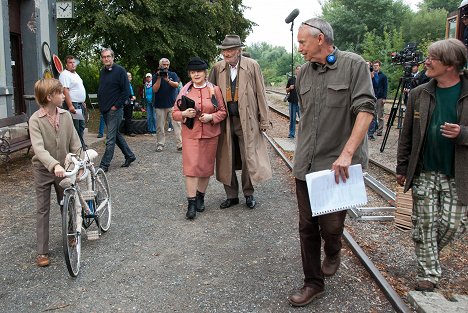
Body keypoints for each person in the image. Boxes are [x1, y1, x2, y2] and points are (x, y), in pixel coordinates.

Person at [288, 18, 375, 307]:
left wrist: (348, 153)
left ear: (321, 39)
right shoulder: (303, 74)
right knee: (306, 227)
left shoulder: (354, 65)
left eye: (302, 42)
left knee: (330, 227)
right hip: (306, 165)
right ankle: (313, 282)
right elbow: (305, 113)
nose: (299, 48)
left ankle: (334, 248)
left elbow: (365, 110)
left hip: (337, 166)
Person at [396, 38, 468, 292]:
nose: (426, 62)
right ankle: (428, 272)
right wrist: (402, 168)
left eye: (432, 58)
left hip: (457, 174)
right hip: (425, 170)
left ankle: (427, 250)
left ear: (450, 64)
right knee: (424, 222)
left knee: (454, 224)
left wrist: (462, 133)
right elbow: (407, 135)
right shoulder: (419, 93)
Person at [208, 34, 272, 209]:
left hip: (247, 120)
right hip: (226, 120)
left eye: (229, 51)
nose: (226, 54)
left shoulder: (252, 66)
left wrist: (264, 120)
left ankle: (248, 194)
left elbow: (261, 93)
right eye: (224, 51)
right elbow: (210, 93)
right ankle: (231, 195)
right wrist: (211, 115)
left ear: (238, 51)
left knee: (248, 158)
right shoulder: (217, 68)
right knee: (225, 157)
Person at [29, 78, 82, 267]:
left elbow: (75, 142)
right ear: (50, 96)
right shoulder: (35, 120)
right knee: (42, 209)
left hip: (64, 168)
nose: (63, 95)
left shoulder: (66, 116)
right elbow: (39, 149)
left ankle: (70, 234)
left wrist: (80, 160)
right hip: (44, 170)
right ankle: (42, 251)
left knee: (66, 203)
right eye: (60, 93)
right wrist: (53, 165)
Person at [172, 57, 227, 219]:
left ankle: (200, 196)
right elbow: (174, 113)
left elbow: (222, 112)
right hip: (191, 135)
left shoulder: (214, 90)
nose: (196, 75)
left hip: (210, 135)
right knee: (191, 169)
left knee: (205, 168)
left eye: (199, 72)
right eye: (193, 72)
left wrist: (211, 117)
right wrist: (183, 113)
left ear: (205, 73)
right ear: (189, 74)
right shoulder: (185, 91)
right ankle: (191, 203)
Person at [97, 48, 136, 172]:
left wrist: (116, 106)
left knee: (110, 138)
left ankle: (104, 165)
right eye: (104, 57)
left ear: (113, 57)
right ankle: (130, 156)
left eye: (108, 56)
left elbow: (126, 91)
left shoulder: (120, 71)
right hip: (105, 110)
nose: (106, 59)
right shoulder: (102, 72)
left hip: (115, 110)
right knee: (115, 135)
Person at [152, 58, 182, 152]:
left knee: (177, 124)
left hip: (172, 104)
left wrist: (167, 79)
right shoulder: (155, 76)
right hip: (160, 105)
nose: (166, 66)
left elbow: (177, 85)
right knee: (160, 126)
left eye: (167, 65)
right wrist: (160, 78)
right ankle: (160, 144)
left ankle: (180, 144)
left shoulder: (173, 74)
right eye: (164, 64)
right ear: (160, 65)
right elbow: (155, 90)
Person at [58, 55, 87, 147]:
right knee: (76, 127)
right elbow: (65, 90)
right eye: (70, 63)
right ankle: (77, 147)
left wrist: (82, 101)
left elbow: (77, 88)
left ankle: (81, 145)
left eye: (74, 62)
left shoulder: (75, 74)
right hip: (73, 104)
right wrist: (70, 105)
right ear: (66, 65)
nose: (73, 64)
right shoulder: (64, 74)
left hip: (79, 104)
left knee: (81, 126)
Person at [372, 60, 388, 136]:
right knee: (373, 115)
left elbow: (385, 87)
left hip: (380, 97)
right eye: (374, 65)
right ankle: (374, 129)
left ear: (379, 66)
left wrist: (384, 97)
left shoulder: (383, 76)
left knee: (380, 115)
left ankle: (380, 131)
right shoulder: (370, 75)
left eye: (377, 65)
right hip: (372, 97)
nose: (375, 66)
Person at [286, 65, 301, 138]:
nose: (298, 71)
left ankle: (302, 135)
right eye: (297, 69)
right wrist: (289, 88)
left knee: (302, 119)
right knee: (292, 118)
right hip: (292, 101)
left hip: (301, 102)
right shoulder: (291, 79)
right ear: (295, 70)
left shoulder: (303, 78)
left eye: (300, 69)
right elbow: (286, 90)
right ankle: (291, 134)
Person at [122, 72, 136, 137]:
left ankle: (126, 130)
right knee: (128, 117)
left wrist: (133, 96)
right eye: (129, 76)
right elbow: (127, 93)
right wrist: (131, 97)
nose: (131, 78)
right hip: (127, 102)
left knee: (127, 116)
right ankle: (129, 131)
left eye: (130, 76)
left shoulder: (129, 84)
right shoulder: (125, 84)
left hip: (130, 101)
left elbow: (131, 92)